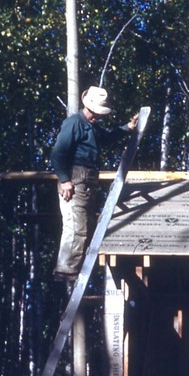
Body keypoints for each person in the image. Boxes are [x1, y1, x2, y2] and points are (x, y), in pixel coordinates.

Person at [49, 85, 138, 280]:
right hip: (74, 180)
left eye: (99, 114)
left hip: (89, 182)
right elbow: (58, 154)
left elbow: (107, 137)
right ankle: (66, 272)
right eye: (94, 113)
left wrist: (127, 128)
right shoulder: (73, 123)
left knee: (87, 227)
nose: (96, 117)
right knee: (76, 228)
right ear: (86, 106)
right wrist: (65, 180)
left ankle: (75, 271)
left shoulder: (94, 127)